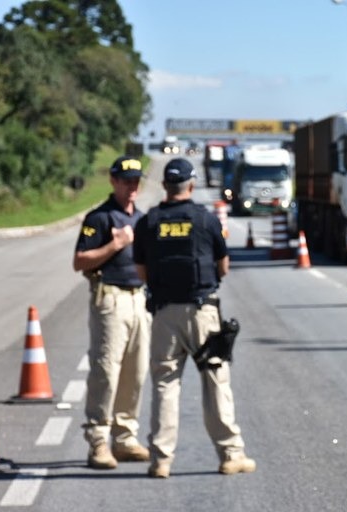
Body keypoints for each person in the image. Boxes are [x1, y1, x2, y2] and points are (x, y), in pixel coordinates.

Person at [132, 157, 255, 479]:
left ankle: (161, 460)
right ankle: (231, 455)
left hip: (164, 314)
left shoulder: (148, 222)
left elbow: (141, 271)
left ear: (165, 186)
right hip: (202, 312)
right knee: (215, 381)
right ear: (191, 184)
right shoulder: (205, 219)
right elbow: (223, 266)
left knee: (165, 384)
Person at [73, 155, 151, 469]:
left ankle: (125, 436)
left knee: (136, 370)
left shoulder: (142, 219)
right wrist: (114, 245)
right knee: (106, 370)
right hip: (110, 297)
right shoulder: (100, 218)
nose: (132, 186)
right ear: (113, 181)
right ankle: (98, 440)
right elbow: (80, 261)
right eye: (126, 180)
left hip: (138, 298)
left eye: (136, 181)